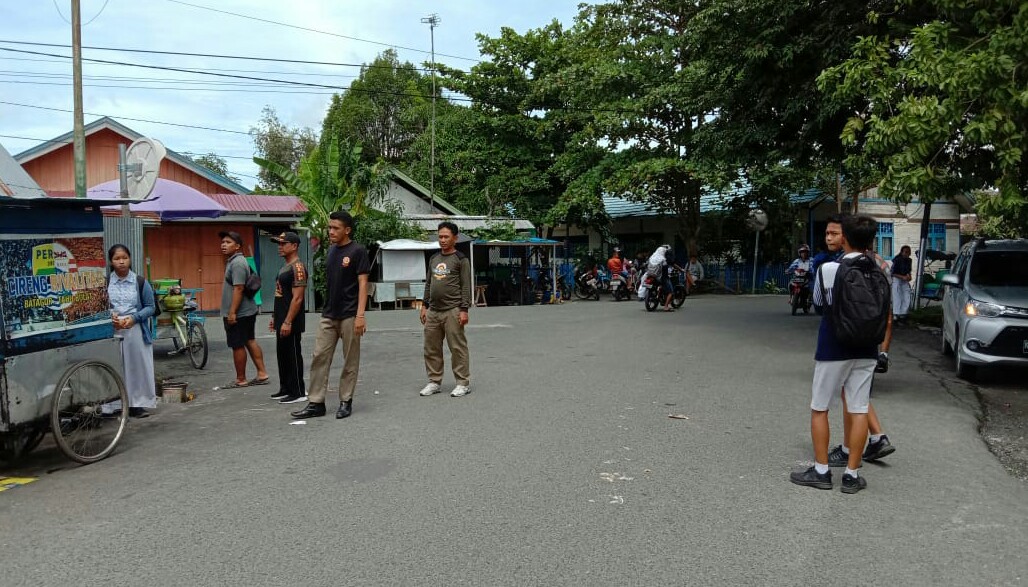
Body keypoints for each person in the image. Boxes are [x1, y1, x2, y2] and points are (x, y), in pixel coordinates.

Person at [790, 214, 886, 494]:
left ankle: (821, 471)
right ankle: (852, 475)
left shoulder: (829, 269)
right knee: (858, 409)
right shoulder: (880, 269)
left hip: (833, 346)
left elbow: (819, 304)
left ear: (845, 238)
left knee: (820, 408)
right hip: (867, 348)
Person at [292, 211, 369, 420]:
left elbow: (363, 284)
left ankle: (346, 400)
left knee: (349, 360)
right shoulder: (331, 251)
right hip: (329, 314)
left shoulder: (358, 251)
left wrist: (360, 315)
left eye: (336, 228)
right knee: (319, 356)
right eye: (330, 227)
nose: (331, 231)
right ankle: (316, 402)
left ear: (347, 230)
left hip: (350, 314)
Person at [419, 222, 473, 398]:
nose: (442, 240)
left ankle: (462, 383)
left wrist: (464, 309)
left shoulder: (461, 259)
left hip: (453, 310)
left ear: (455, 238)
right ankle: (434, 381)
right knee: (431, 347)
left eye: (446, 237)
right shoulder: (434, 258)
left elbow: (466, 285)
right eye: (440, 236)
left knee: (457, 348)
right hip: (433, 311)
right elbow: (428, 283)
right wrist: (424, 305)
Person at [105, 245, 157, 418]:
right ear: (111, 262)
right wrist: (109, 318)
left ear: (130, 259)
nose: (121, 262)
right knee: (114, 366)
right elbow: (98, 307)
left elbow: (151, 307)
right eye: (117, 259)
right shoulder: (105, 283)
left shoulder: (140, 282)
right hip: (113, 330)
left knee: (136, 368)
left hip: (135, 330)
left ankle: (137, 404)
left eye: (125, 257)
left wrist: (134, 318)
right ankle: (114, 404)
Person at [219, 230, 269, 389]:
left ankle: (241, 379)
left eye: (228, 242)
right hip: (246, 311)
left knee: (237, 344)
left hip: (240, 313)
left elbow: (239, 288)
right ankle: (262, 374)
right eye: (223, 242)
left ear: (238, 246)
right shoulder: (234, 261)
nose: (224, 245)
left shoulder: (238, 263)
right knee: (249, 340)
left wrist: (232, 312)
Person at [268, 232, 308, 405]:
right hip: (281, 318)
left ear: (294, 246)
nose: (280, 246)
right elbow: (280, 293)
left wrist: (288, 321)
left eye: (283, 243)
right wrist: (275, 317)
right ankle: (286, 388)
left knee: (292, 354)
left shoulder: (298, 268)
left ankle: (298, 391)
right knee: (282, 355)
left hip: (291, 321)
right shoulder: (285, 266)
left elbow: (297, 298)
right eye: (279, 243)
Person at [891, 245, 913, 322]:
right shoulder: (897, 260)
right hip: (897, 279)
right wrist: (902, 277)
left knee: (906, 296)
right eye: (906, 252)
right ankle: (896, 314)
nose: (907, 254)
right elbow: (893, 273)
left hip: (904, 279)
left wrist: (909, 276)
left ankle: (903, 314)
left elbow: (908, 271)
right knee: (897, 296)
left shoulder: (909, 260)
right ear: (902, 252)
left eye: (909, 252)